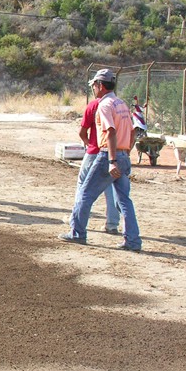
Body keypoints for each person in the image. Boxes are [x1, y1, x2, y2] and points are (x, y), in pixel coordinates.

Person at [59, 69, 142, 251]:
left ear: (101, 86)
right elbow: (132, 132)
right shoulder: (121, 104)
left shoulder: (105, 105)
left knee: (85, 194)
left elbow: (110, 131)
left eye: (95, 85)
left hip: (107, 155)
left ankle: (77, 233)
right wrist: (124, 154)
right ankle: (133, 241)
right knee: (124, 200)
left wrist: (112, 160)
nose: (94, 89)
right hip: (123, 155)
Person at [71, 94, 122, 234]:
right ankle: (112, 224)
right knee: (110, 188)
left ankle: (76, 222)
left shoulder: (94, 105)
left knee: (83, 187)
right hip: (112, 153)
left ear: (99, 86)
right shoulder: (118, 105)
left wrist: (89, 144)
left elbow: (82, 132)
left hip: (95, 152)